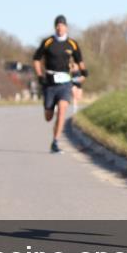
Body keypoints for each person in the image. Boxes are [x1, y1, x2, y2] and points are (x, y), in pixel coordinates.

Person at [33, 15, 87, 154]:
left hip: (65, 83)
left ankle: (55, 142)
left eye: (62, 25)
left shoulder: (72, 44)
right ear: (55, 27)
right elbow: (36, 59)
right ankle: (50, 110)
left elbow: (79, 60)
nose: (59, 27)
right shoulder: (48, 42)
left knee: (62, 110)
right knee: (48, 116)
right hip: (50, 83)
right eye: (57, 25)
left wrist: (84, 71)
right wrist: (39, 75)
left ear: (66, 27)